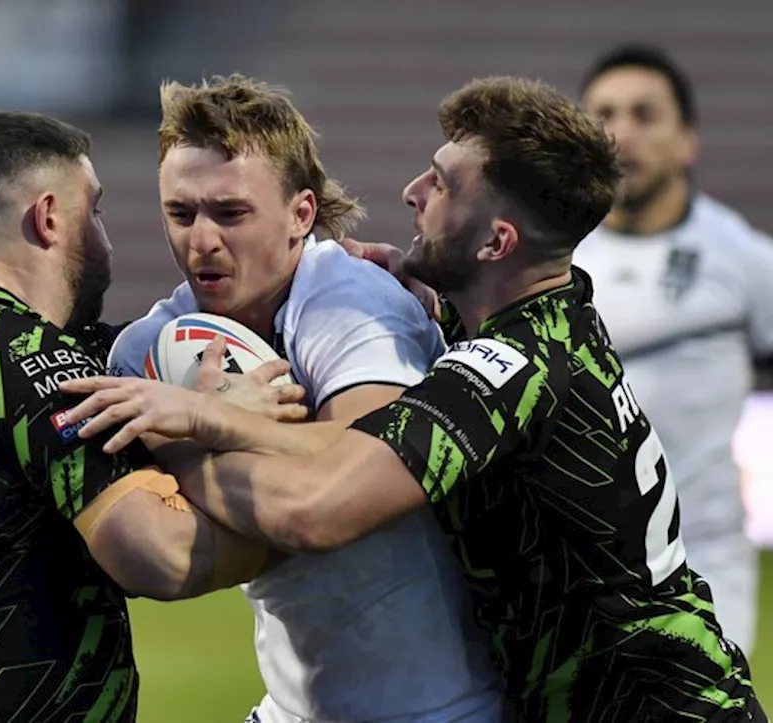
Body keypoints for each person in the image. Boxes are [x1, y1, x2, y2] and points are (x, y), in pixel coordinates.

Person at [59, 77, 765, 721]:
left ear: (497, 241)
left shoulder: (506, 366)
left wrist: (195, 424)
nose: (410, 192)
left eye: (444, 184)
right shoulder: (527, 320)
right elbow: (358, 440)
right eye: (179, 212)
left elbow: (315, 506)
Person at [0, 110, 305, 722]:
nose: (105, 237)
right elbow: (160, 555)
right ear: (48, 218)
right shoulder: (21, 358)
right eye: (93, 210)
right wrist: (318, 527)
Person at [105, 74, 503, 723]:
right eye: (181, 213)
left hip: (439, 709)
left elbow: (348, 481)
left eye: (230, 213)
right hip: (292, 709)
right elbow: (165, 559)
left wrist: (200, 427)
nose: (201, 240)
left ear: (301, 213)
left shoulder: (357, 303)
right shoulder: (150, 347)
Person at [573, 44, 773, 655]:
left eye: (643, 114)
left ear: (688, 141)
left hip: (702, 561)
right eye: (603, 114)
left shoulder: (746, 261)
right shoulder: (550, 260)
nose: (621, 132)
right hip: (571, 564)